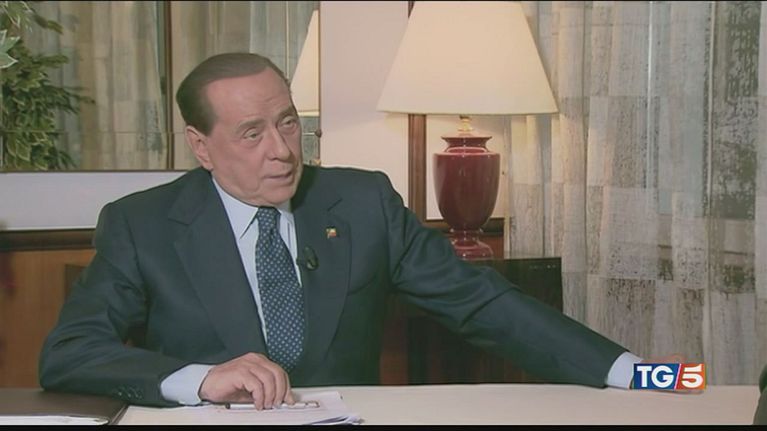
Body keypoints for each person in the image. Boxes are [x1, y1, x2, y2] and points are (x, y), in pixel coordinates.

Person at [40, 52, 644, 409]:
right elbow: (70, 353)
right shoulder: (143, 225)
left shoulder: (360, 202)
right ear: (201, 146)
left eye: (287, 123)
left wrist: (639, 373)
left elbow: (483, 304)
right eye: (252, 134)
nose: (282, 151)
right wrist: (202, 381)